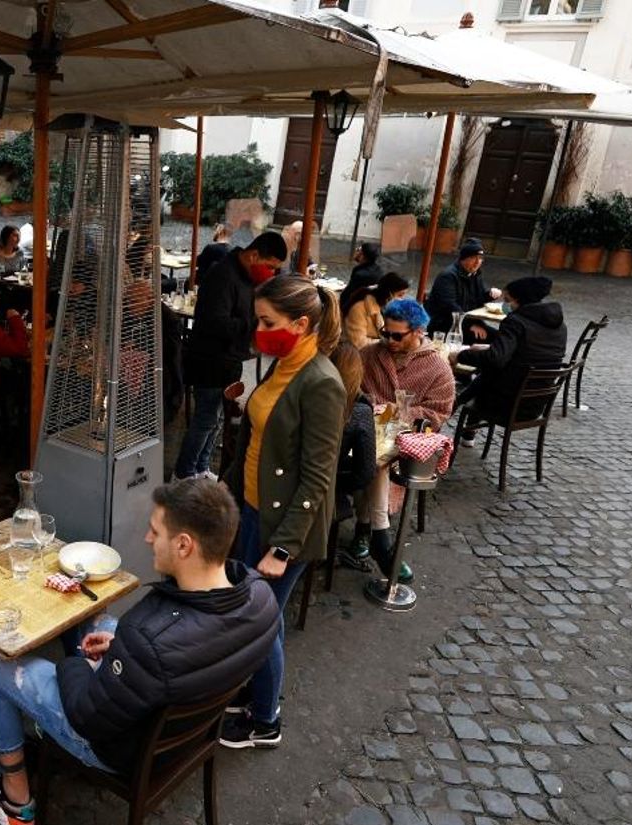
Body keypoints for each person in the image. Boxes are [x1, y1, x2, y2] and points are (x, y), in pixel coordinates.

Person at [0, 479, 278, 825]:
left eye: (155, 531)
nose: (147, 538)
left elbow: (85, 716)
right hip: (185, 734)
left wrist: (76, 664)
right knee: (94, 619)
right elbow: (178, 650)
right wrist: (121, 649)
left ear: (183, 545)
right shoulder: (261, 599)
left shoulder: (147, 640)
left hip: (120, 749)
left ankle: (15, 799)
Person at [220, 274, 344, 750]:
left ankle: (265, 720)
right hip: (254, 510)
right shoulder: (282, 364)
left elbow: (318, 477)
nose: (259, 331)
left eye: (268, 322)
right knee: (249, 611)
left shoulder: (321, 382)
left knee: (262, 621)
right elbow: (255, 442)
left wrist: (283, 548)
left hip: (286, 529)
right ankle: (254, 691)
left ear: (302, 324)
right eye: (258, 320)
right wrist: (226, 491)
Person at [350, 299, 455, 581]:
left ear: (418, 332)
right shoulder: (369, 354)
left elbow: (440, 411)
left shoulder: (437, 367)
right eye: (385, 333)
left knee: (378, 458)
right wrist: (370, 404)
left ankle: (366, 529)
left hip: (410, 440)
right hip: (366, 431)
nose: (389, 341)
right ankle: (379, 535)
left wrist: (401, 412)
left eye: (397, 336)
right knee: (372, 453)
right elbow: (351, 388)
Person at [173, 232, 289, 480]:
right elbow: (216, 323)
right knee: (205, 419)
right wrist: (255, 324)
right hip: (210, 362)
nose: (271, 273)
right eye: (270, 267)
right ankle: (183, 473)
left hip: (231, 361)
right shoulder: (222, 276)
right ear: (254, 255)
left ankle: (201, 467)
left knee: (217, 419)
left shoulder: (247, 278)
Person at [450, 276, 568, 444]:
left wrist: (460, 355)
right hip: (536, 403)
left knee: (488, 371)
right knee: (490, 372)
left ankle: (453, 411)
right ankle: (459, 413)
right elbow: (525, 354)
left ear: (519, 300)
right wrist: (488, 348)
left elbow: (495, 359)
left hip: (507, 404)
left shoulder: (516, 322)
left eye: (507, 300)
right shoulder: (559, 325)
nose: (505, 305)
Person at [425, 238, 502, 340]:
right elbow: (449, 307)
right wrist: (470, 325)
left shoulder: (475, 274)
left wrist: (490, 295)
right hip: (447, 325)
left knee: (501, 337)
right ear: (463, 258)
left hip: (468, 321)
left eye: (480, 258)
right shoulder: (448, 276)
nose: (477, 262)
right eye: (473, 258)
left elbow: (478, 300)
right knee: (494, 339)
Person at [343, 272, 411, 347]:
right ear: (389, 294)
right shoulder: (359, 309)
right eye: (400, 295)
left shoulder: (390, 306)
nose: (402, 299)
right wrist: (386, 343)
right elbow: (358, 342)